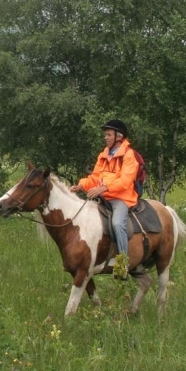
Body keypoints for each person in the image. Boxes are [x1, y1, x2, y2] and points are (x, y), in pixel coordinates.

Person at [69, 119, 139, 279]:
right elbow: (95, 177)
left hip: (122, 198)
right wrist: (80, 185)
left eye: (108, 135)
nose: (105, 138)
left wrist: (104, 188)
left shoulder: (129, 155)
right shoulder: (104, 155)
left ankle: (122, 264)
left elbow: (126, 181)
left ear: (119, 136)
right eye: (105, 135)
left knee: (117, 223)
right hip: (103, 197)